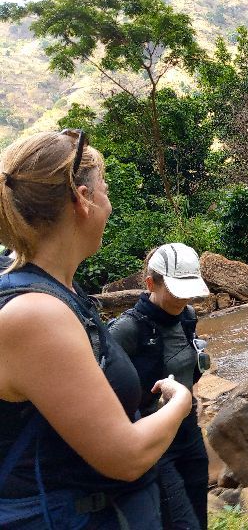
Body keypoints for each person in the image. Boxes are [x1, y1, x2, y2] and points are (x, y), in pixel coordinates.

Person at [0, 130, 191, 528]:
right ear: (82, 199)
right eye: (103, 189)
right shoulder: (35, 315)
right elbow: (126, 456)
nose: (109, 203)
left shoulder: (54, 287)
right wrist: (181, 402)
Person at [109, 244, 211, 530]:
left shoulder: (188, 317)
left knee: (198, 513)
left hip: (188, 430)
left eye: (189, 289)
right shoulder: (128, 329)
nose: (185, 298)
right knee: (179, 521)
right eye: (177, 290)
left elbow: (187, 364)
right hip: (153, 439)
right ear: (151, 284)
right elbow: (99, 382)